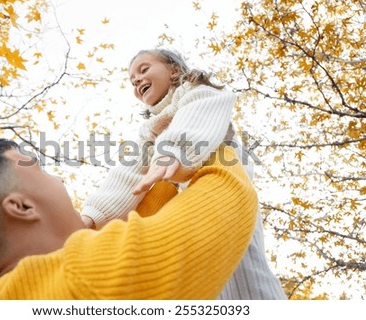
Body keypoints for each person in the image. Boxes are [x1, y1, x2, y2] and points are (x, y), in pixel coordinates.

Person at [0, 138, 258, 299]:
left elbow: (137, 233)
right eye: (42, 171)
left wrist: (158, 176)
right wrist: (206, 143)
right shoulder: (91, 278)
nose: (60, 181)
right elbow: (227, 196)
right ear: (21, 207)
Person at [81, 48, 287, 299]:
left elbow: (197, 116)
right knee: (196, 271)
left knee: (243, 270)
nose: (136, 80)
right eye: (132, 80)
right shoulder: (150, 132)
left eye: (144, 69)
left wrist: (172, 152)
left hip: (223, 191)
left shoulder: (198, 93)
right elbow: (127, 174)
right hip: (180, 203)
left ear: (174, 69)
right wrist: (93, 216)